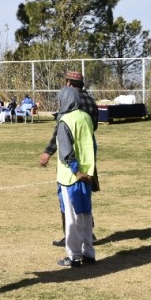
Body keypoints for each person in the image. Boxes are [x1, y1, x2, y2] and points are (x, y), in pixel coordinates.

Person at [39, 70, 99, 246]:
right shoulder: (90, 100)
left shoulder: (69, 101)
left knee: (66, 198)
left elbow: (61, 132)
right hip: (88, 155)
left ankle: (70, 237)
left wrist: (48, 152)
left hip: (70, 159)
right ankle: (88, 232)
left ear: (68, 83)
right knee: (85, 195)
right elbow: (93, 127)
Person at [55, 86, 96, 268]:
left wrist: (75, 170)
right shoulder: (86, 117)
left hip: (71, 177)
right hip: (87, 174)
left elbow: (66, 151)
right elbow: (93, 145)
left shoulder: (65, 121)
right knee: (85, 215)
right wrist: (88, 171)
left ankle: (74, 256)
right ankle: (89, 253)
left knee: (71, 217)